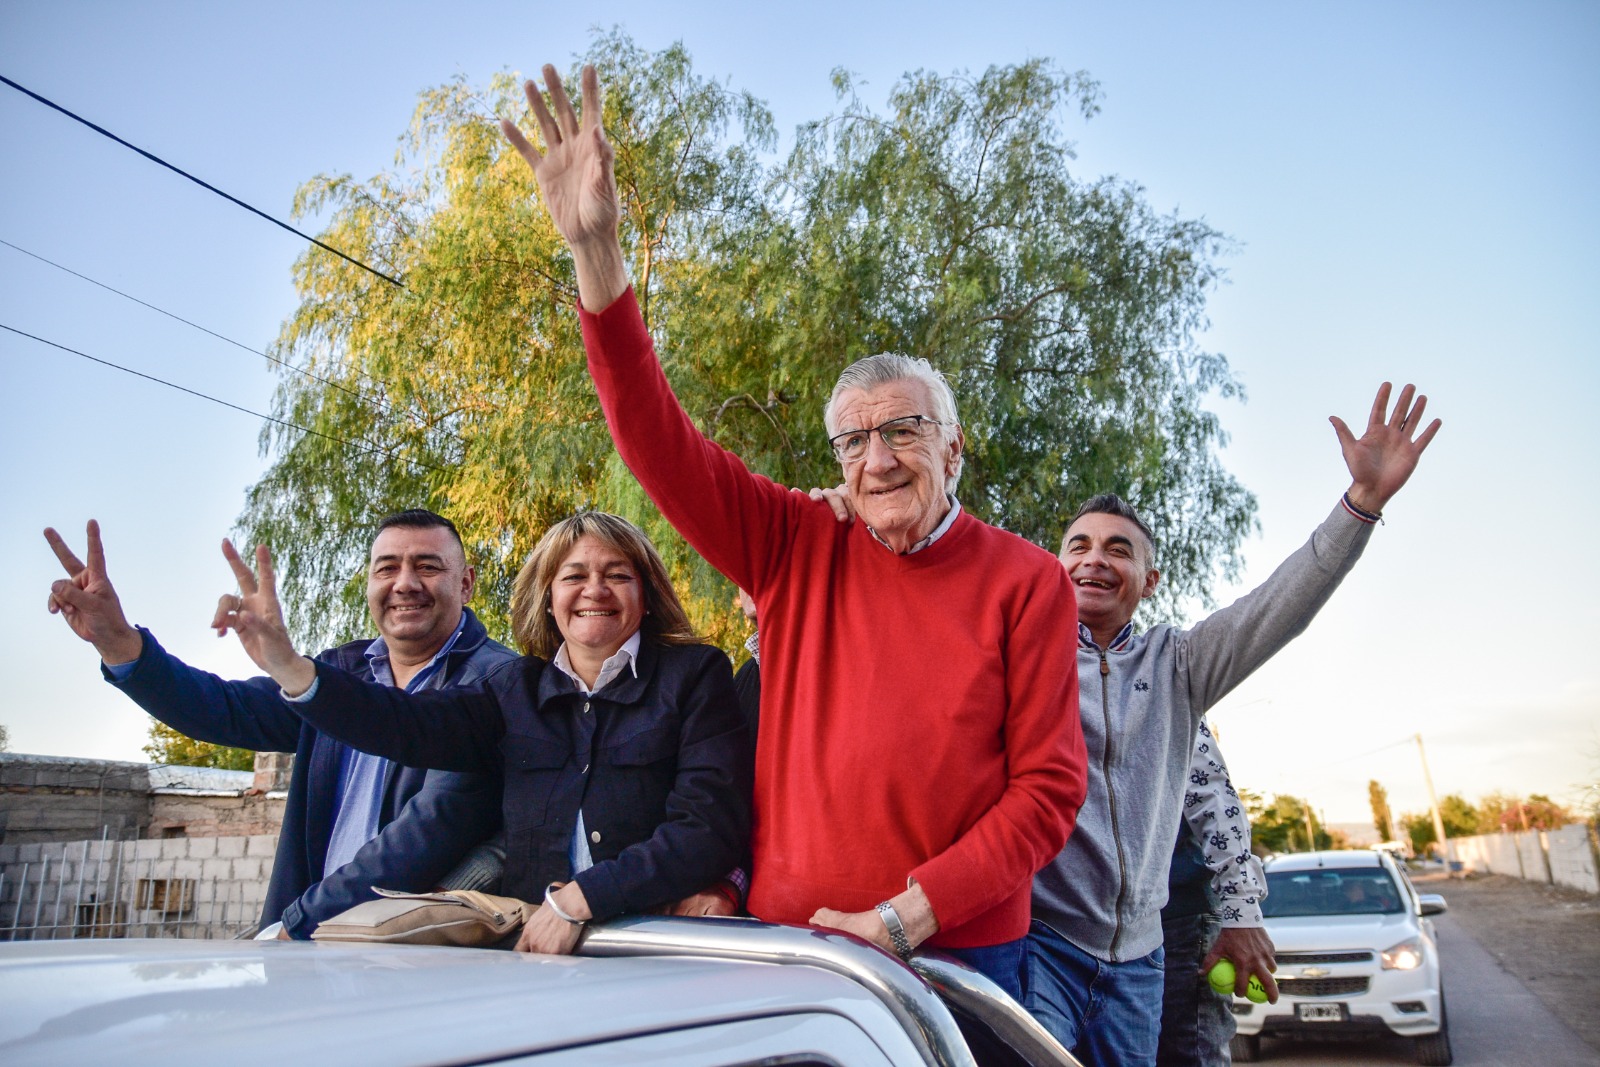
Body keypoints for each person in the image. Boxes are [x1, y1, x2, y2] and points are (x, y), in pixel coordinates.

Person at [497, 64, 1085, 996]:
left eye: (904, 430)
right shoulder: (791, 540)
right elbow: (657, 440)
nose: (878, 460)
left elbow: (1048, 791)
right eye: (854, 440)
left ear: (954, 445)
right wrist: (597, 253)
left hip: (959, 954)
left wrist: (908, 915)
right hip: (789, 945)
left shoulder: (1029, 580)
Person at [1026, 382, 1442, 1066]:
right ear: (1056, 566)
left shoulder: (1179, 664)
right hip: (1045, 946)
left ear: (1150, 580)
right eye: (1080, 545)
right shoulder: (1021, 659)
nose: (1095, 558)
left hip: (1140, 961)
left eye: (1119, 549)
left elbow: (1278, 605)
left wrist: (1362, 502)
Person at [211, 511, 751, 953]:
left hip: (653, 947)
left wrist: (581, 899)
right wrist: (292, 669)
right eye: (573, 576)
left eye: (617, 575)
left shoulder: (695, 675)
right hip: (535, 958)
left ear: (646, 593)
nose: (595, 590)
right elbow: (406, 723)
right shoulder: (513, 689)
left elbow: (707, 826)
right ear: (548, 597)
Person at [43, 510, 514, 939]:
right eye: (387, 568)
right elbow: (224, 708)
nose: (405, 583)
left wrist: (297, 925)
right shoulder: (340, 672)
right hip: (311, 951)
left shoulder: (497, 683)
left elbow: (425, 835)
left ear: (466, 583)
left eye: (427, 567)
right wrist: (119, 642)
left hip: (417, 956)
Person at [1157, 719, 1270, 1067]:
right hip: (1087, 923)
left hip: (1181, 916)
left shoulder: (1164, 690)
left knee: (1191, 1055)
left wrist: (1242, 910)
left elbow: (1211, 793)